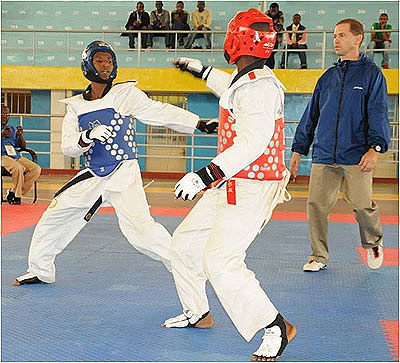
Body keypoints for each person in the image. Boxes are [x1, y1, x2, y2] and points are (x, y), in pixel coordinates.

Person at [13, 40, 217, 286]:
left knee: (141, 233)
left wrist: (197, 123)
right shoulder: (75, 106)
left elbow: (159, 111)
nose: (106, 65)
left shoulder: (124, 94)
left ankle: (188, 270)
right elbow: (67, 147)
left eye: (109, 61)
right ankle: (40, 270)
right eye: (99, 60)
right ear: (87, 64)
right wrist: (87, 136)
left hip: (123, 173)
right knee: (54, 216)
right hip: (93, 175)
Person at [162, 9, 296, 361]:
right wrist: (202, 71)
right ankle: (198, 312)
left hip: (252, 186)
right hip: (232, 182)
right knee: (184, 245)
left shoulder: (260, 89)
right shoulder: (248, 79)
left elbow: (252, 143)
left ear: (237, 40)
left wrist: (204, 175)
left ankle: (275, 326)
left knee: (221, 260)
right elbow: (230, 89)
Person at [289, 19, 391, 272]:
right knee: (316, 204)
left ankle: (373, 242)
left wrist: (375, 148)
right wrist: (297, 151)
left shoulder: (371, 75)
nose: (336, 40)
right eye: (335, 35)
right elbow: (311, 115)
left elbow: (378, 112)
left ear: (357, 39)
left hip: (357, 152)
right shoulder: (328, 77)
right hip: (324, 152)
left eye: (342, 35)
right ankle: (318, 256)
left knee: (361, 203)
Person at [1, 104, 41, 205]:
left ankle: (14, 192)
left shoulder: (11, 128)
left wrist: (20, 135)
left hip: (15, 155)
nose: (4, 115)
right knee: (18, 168)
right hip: (2, 156)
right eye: (2, 113)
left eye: (7, 114)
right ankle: (17, 197)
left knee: (36, 169)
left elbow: (22, 146)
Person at [265, 2, 284, 69]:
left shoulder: (280, 15)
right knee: (266, 54)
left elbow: (279, 28)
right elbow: (265, 26)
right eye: (272, 10)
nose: (273, 12)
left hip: (276, 38)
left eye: (275, 10)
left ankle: (271, 68)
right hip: (266, 38)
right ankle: (266, 68)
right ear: (270, 9)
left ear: (277, 10)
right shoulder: (266, 14)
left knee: (272, 53)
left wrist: (271, 28)